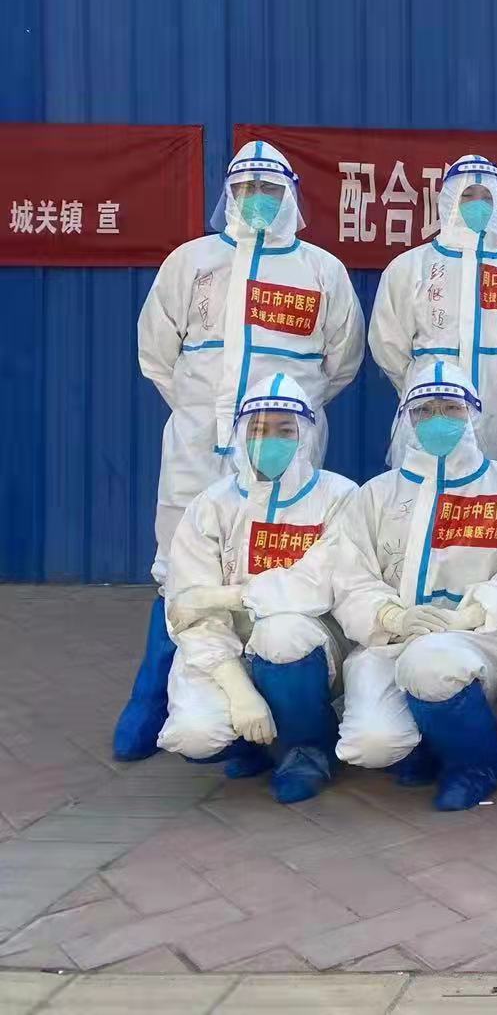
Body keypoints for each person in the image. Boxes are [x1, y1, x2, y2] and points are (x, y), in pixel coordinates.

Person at [120, 141, 364, 762]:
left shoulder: (320, 270)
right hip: (199, 444)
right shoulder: (192, 261)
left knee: (279, 561)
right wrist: (201, 410)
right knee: (182, 565)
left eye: (271, 188)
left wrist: (285, 416)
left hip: (285, 443)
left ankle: (272, 704)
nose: (259, 198)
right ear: (228, 194)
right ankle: (155, 696)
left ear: (290, 196)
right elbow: (157, 353)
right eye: (246, 187)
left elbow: (342, 362)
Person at [331, 362, 497, 811]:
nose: (438, 419)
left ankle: (476, 765)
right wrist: (392, 616)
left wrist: (470, 615)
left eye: (451, 408)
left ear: (473, 414)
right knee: (371, 745)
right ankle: (424, 742)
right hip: (390, 639)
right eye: (425, 410)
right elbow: (351, 577)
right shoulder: (376, 494)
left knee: (432, 666)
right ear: (407, 417)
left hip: (479, 638)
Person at [156, 374, 357, 805]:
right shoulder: (211, 505)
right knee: (195, 735)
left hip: (307, 645)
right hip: (228, 647)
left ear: (306, 434)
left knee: (281, 631)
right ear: (239, 434)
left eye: (285, 430)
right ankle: (254, 743)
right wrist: (238, 689)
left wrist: (225, 596)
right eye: (258, 429)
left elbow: (319, 581)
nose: (270, 441)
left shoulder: (339, 497)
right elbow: (189, 611)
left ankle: (307, 751)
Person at [370, 154, 497, 478]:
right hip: (431, 410)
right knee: (424, 493)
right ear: (449, 200)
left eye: (487, 197)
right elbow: (388, 345)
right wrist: (422, 380)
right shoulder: (410, 267)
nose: (478, 204)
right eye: (468, 195)